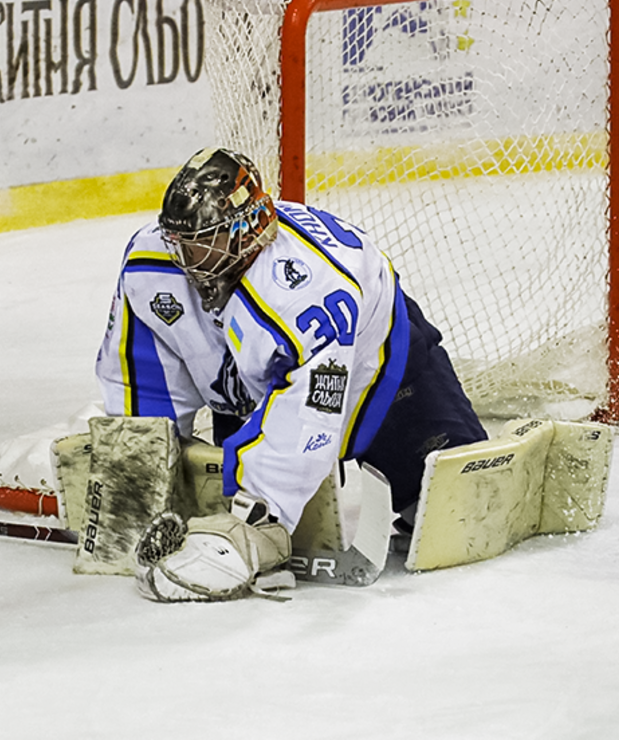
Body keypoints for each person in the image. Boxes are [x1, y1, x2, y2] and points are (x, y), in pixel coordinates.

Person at [97, 147, 488, 602]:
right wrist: (137, 477)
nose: (190, 259)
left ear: (246, 231)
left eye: (206, 244)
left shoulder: (304, 290)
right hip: (250, 386)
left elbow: (312, 409)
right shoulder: (151, 264)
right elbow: (142, 373)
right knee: (223, 485)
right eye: (182, 243)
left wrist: (262, 521)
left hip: (378, 366)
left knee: (455, 508)